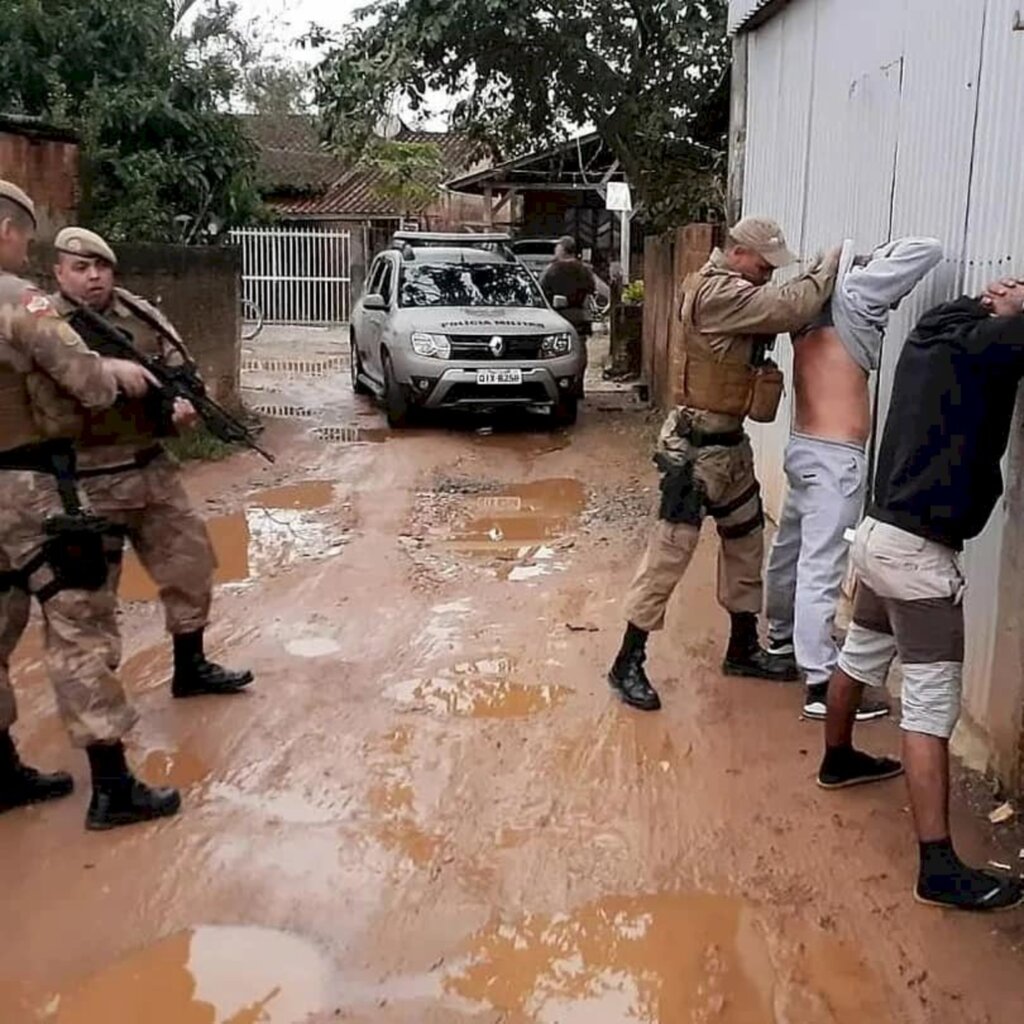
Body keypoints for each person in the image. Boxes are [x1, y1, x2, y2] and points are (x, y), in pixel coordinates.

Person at [818, 279, 1024, 912]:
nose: (1010, 285)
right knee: (931, 712)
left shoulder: (929, 338)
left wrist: (996, 306)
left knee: (859, 654)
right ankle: (937, 867)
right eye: (1007, 286)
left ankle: (838, 760)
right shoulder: (983, 344)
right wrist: (1014, 310)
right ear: (991, 313)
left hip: (877, 535)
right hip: (918, 556)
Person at [0, 180, 180, 829]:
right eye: (23, 235)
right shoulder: (21, 300)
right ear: (8, 232)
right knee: (78, 625)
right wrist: (120, 375)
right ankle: (112, 787)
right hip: (26, 485)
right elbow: (86, 383)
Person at [608, 217, 841, 711]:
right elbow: (791, 305)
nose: (767, 274)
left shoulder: (735, 288)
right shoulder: (718, 294)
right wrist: (830, 265)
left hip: (730, 446)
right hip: (694, 453)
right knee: (669, 557)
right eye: (762, 264)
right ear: (737, 253)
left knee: (746, 544)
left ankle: (742, 647)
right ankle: (627, 660)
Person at [47, 227, 253, 699]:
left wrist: (181, 405)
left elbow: (180, 367)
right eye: (80, 268)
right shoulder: (44, 326)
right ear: (58, 272)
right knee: (89, 600)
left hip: (149, 466)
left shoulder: (139, 314)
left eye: (101, 267)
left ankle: (191, 666)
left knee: (190, 563)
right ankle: (97, 703)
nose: (94, 277)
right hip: (82, 480)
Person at [763, 238, 943, 721]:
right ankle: (821, 681)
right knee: (821, 565)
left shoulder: (807, 308)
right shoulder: (855, 297)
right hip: (835, 457)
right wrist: (867, 255)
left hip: (803, 445)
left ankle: (781, 639)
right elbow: (928, 250)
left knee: (790, 550)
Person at [540, 237, 599, 339]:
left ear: (562, 249)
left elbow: (541, 289)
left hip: (558, 316)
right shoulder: (584, 269)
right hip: (580, 317)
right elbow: (592, 288)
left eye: (557, 247)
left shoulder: (552, 270)